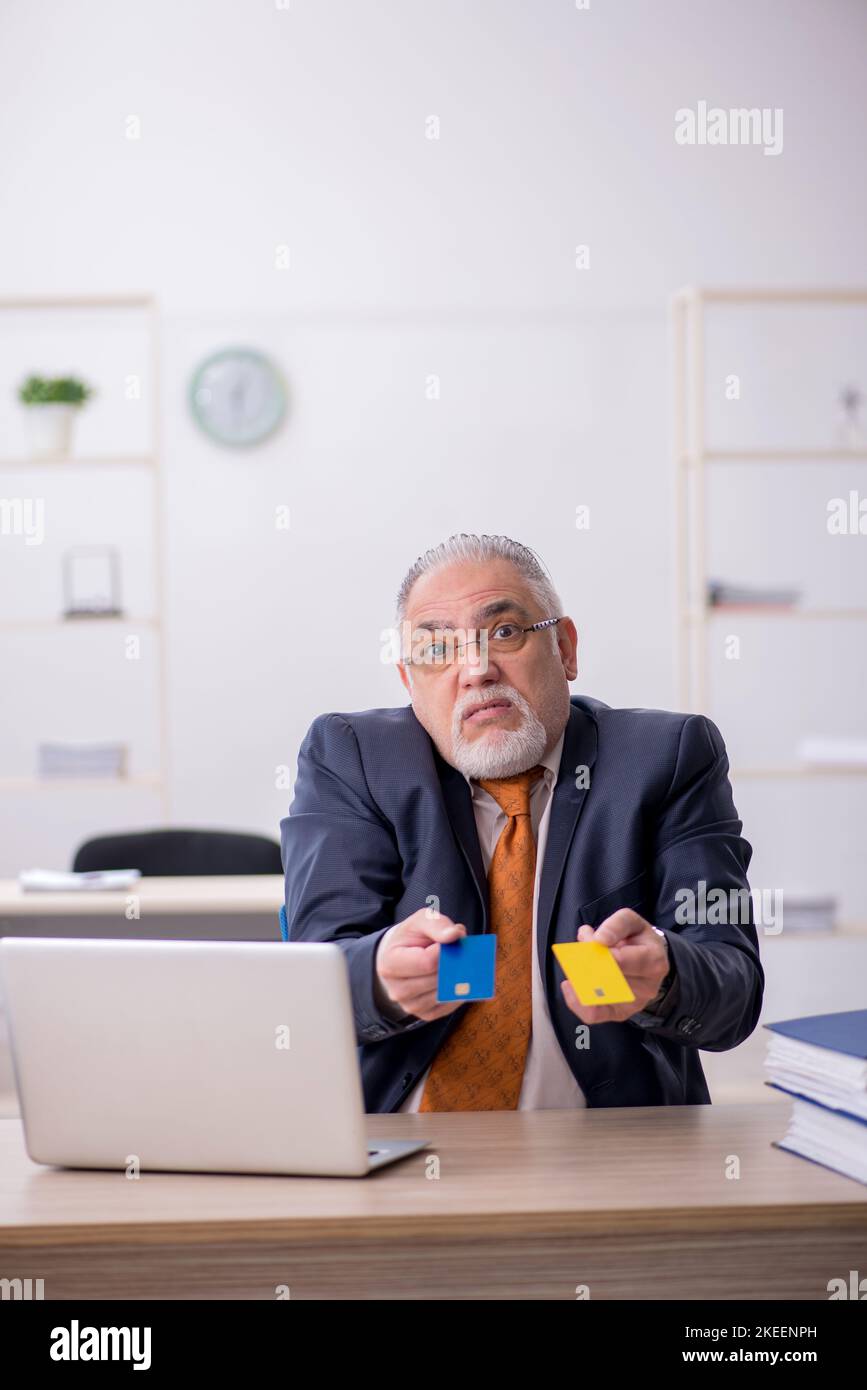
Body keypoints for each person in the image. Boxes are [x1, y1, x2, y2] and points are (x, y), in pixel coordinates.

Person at [280, 534, 764, 1112]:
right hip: (403, 1151)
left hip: (609, 1152)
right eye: (438, 650)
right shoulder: (353, 758)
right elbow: (314, 978)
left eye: (504, 633)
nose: (476, 670)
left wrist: (663, 972)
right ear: (409, 683)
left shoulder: (668, 757)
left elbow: (733, 988)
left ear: (564, 648)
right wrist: (381, 977)